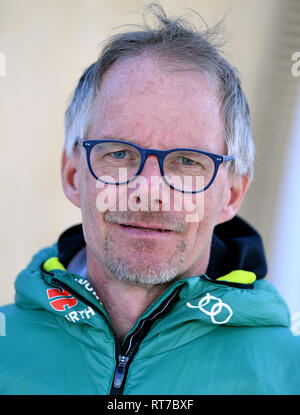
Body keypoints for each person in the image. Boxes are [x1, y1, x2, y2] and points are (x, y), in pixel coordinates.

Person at [1, 3, 300, 395]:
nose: (149, 191)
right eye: (119, 153)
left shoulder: (288, 375)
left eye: (187, 161)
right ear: (73, 176)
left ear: (232, 193)